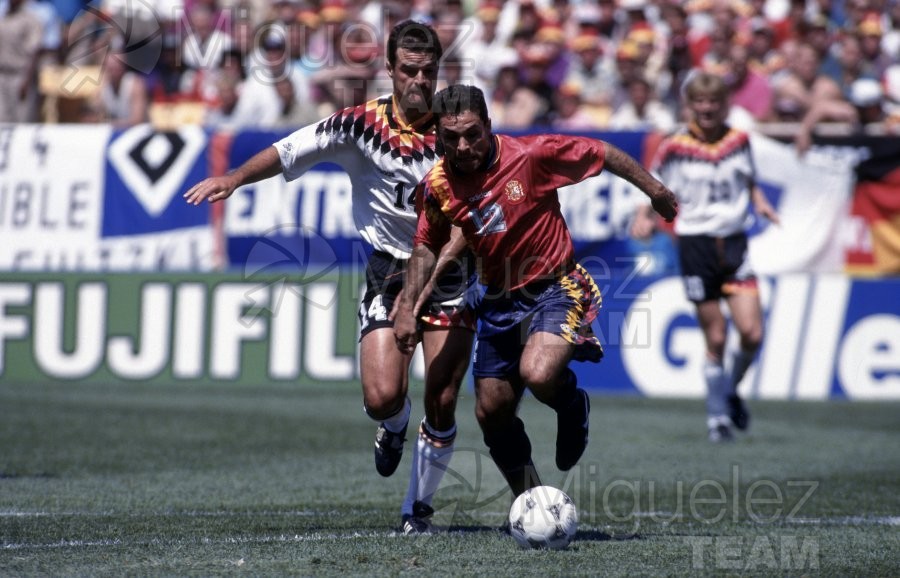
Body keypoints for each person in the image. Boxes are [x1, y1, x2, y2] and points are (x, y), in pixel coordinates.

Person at [183, 20, 475, 535]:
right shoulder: (359, 125)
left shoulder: (456, 130)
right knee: (382, 396)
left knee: (444, 398)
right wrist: (234, 178)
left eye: (428, 71)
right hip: (390, 270)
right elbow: (289, 150)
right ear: (390, 70)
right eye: (409, 70)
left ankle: (418, 510)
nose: (419, 80)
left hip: (449, 271)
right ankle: (394, 425)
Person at [392, 84, 678, 498]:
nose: (463, 146)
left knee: (538, 372)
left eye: (472, 133)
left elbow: (602, 152)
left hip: (555, 286)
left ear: (488, 125)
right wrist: (407, 306)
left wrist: (655, 191)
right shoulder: (437, 186)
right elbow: (426, 245)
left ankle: (572, 404)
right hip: (497, 300)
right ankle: (534, 501)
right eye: (451, 137)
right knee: (491, 412)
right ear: (438, 135)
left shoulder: (530, 154)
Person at [630, 71, 780, 443]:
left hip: (734, 244)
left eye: (713, 101)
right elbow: (654, 183)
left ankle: (729, 389)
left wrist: (760, 202)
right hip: (696, 247)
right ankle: (718, 419)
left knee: (752, 333)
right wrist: (644, 214)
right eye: (700, 101)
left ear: (724, 104)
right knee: (716, 337)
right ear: (690, 105)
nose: (707, 108)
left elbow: (748, 179)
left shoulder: (739, 140)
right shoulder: (675, 145)